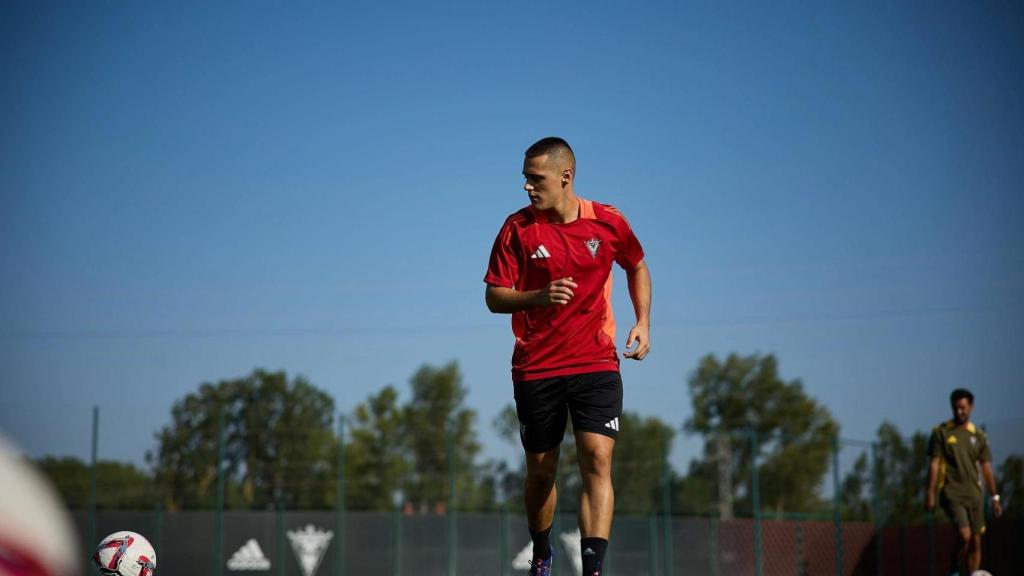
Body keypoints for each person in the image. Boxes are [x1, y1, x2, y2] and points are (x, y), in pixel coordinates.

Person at [484, 137, 651, 576]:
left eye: (535, 179)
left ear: (565, 177)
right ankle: (542, 552)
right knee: (542, 472)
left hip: (596, 361)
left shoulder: (608, 222)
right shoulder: (516, 229)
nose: (527, 187)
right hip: (536, 367)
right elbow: (493, 297)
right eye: (524, 178)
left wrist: (643, 321)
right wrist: (538, 296)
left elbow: (635, 263)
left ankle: (593, 568)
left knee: (597, 458)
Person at [926, 388, 1003, 576]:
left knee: (976, 541)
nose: (960, 411)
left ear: (971, 407)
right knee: (965, 535)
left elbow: (986, 467)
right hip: (951, 492)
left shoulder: (979, 435)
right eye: (956, 408)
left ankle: (972, 573)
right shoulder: (941, 432)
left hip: (975, 494)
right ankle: (954, 567)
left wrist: (995, 496)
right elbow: (934, 464)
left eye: (963, 407)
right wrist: (930, 494)